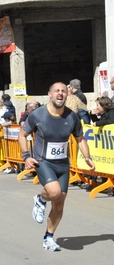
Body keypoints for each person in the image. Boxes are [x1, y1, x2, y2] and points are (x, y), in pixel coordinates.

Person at [18, 82, 95, 251]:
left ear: (67, 95)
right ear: (50, 94)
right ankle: (41, 199)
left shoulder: (72, 116)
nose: (60, 94)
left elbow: (80, 138)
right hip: (43, 161)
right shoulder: (37, 115)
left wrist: (87, 157)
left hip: (62, 164)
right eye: (57, 91)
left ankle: (49, 237)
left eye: (63, 91)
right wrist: (26, 156)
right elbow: (22, 135)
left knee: (59, 204)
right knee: (54, 192)